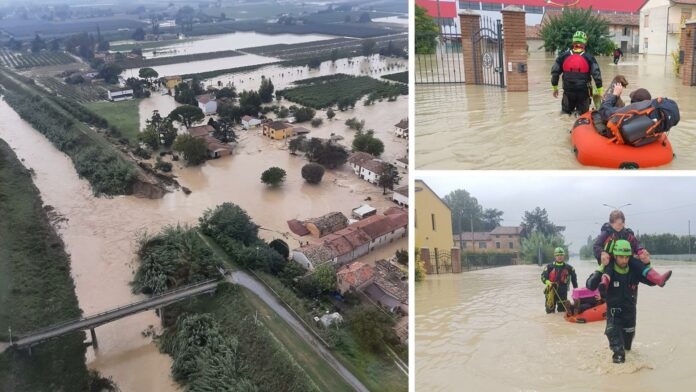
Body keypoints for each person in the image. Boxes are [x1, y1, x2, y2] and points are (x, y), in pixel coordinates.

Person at [587, 240, 658, 363]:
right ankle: (616, 380)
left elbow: (653, 282)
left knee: (628, 348)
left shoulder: (634, 270)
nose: (624, 260)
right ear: (615, 256)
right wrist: (602, 267)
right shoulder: (608, 271)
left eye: (627, 257)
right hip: (614, 317)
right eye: (621, 257)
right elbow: (590, 285)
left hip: (630, 315)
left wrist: (647, 263)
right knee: (619, 354)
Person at [593, 210, 672, 297]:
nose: (619, 226)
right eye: (616, 224)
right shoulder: (606, 233)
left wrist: (641, 252)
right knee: (609, 268)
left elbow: (636, 244)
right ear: (611, 223)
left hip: (630, 303)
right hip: (610, 259)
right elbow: (596, 246)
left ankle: (658, 278)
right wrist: (602, 253)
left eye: (621, 223)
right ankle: (604, 285)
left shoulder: (627, 234)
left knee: (637, 263)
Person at [551, 31, 603, 115]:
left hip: (568, 92)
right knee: (582, 117)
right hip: (584, 93)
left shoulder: (563, 56)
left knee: (565, 115)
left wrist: (555, 88)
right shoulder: (589, 58)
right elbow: (597, 75)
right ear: (585, 43)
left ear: (573, 42)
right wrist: (600, 92)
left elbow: (555, 73)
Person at [541, 247, 578, 313]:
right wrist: (548, 282)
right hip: (551, 291)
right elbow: (543, 277)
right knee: (549, 313)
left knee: (562, 313)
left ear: (563, 256)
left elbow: (574, 281)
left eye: (561, 255)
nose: (559, 256)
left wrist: (576, 292)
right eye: (558, 255)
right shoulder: (549, 267)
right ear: (555, 256)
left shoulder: (569, 268)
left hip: (562, 293)